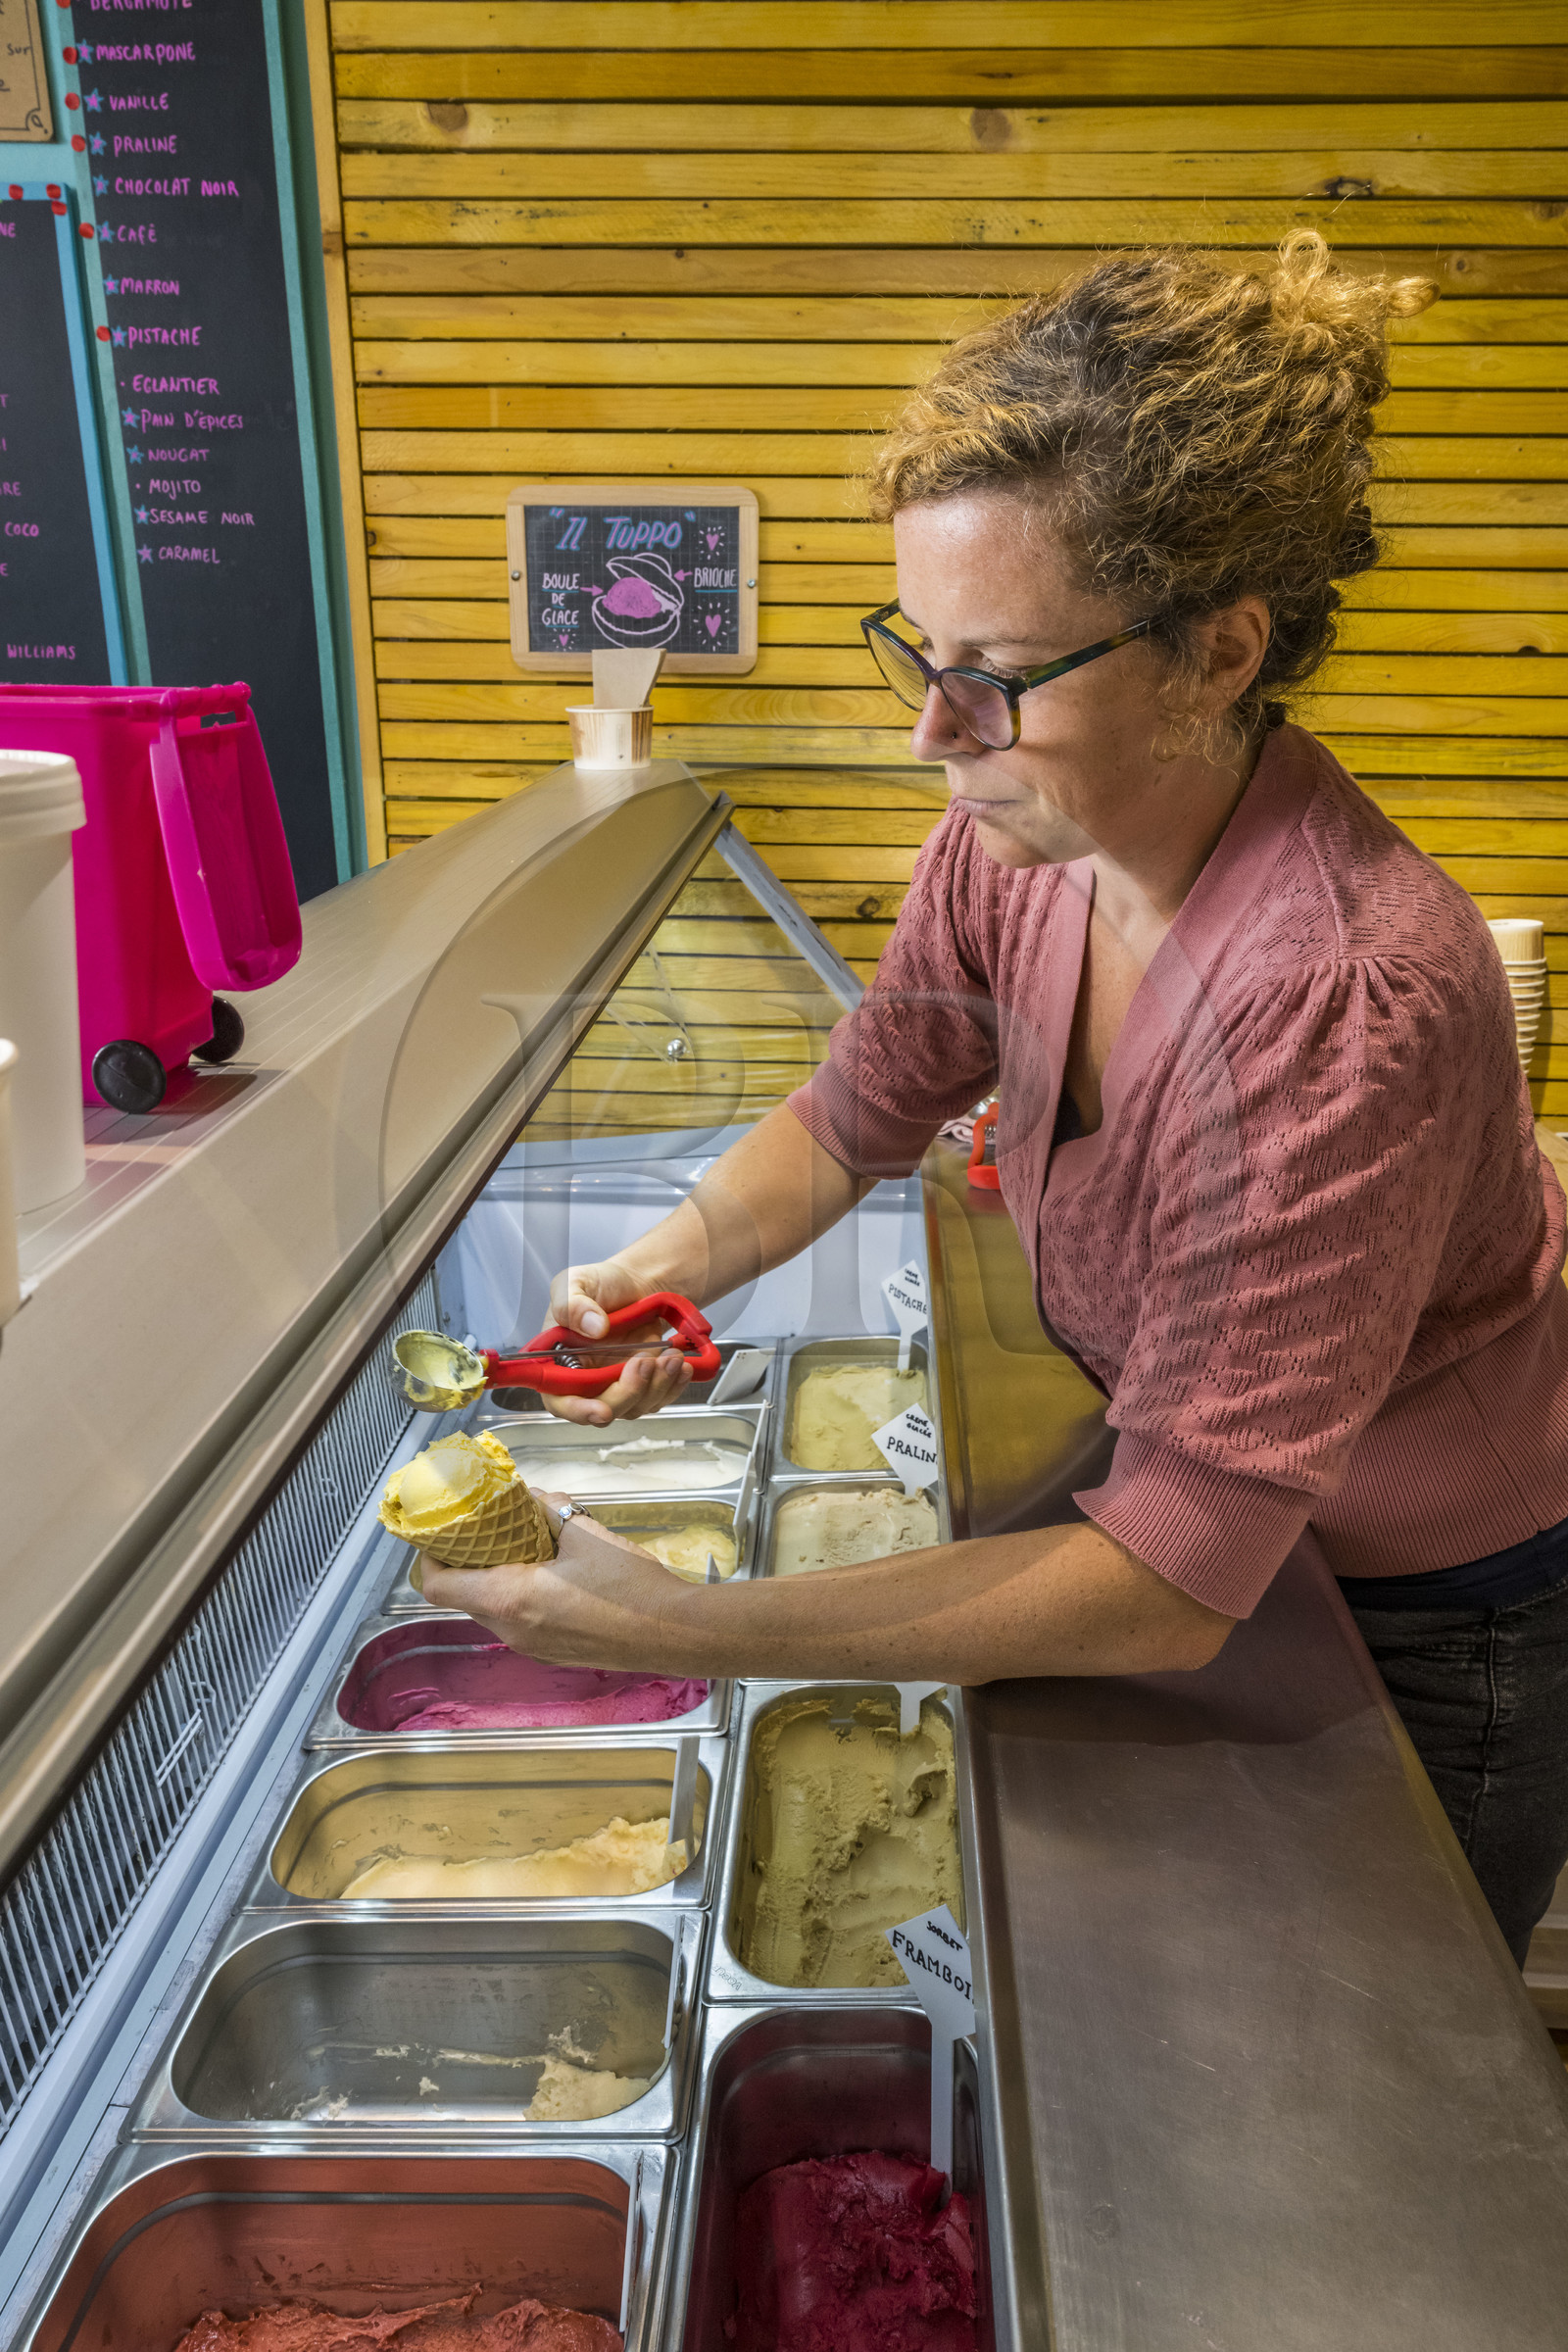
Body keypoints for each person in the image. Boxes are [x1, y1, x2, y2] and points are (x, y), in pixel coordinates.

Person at [421, 233, 1568, 1967]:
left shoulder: (1336, 997)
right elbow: (856, 1110)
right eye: (922, 653)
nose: (933, 735)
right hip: (1231, 1524)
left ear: (1219, 650)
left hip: (1431, 1614)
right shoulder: (1018, 841)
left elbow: (1171, 1583)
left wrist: (681, 1618)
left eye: (1003, 674)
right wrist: (646, 1275)